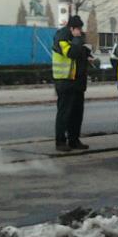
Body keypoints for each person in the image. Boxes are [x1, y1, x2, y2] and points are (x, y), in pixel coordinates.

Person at [52, 15, 91, 152]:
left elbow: (83, 52)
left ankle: (74, 140)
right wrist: (78, 40)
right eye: (78, 29)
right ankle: (60, 141)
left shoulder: (77, 38)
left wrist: (87, 54)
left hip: (78, 81)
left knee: (77, 114)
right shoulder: (61, 37)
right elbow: (71, 53)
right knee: (64, 113)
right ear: (71, 28)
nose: (80, 31)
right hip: (65, 81)